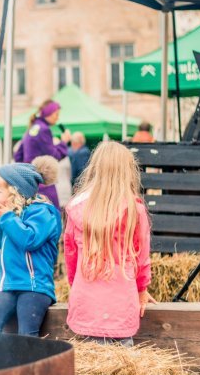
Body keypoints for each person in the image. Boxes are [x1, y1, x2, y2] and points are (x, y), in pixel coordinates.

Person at [64, 141, 156, 347]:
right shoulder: (135, 210)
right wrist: (142, 290)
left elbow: (70, 253)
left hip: (86, 305)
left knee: (88, 366)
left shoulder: (76, 208)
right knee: (122, 366)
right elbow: (142, 258)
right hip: (121, 308)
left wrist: (75, 284)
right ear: (128, 171)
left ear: (95, 168)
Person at [0, 157, 62, 336]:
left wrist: (6, 217)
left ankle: (28, 355)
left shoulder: (42, 212)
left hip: (34, 286)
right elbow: (0, 242)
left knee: (27, 334)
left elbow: (29, 240)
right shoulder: (11, 214)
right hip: (8, 284)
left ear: (16, 192)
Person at [14, 100, 71, 208]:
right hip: (43, 183)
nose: (58, 118)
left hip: (28, 183)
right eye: (56, 114)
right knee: (50, 213)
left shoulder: (32, 128)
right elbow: (53, 157)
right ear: (48, 113)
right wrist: (63, 143)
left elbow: (18, 156)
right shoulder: (44, 130)